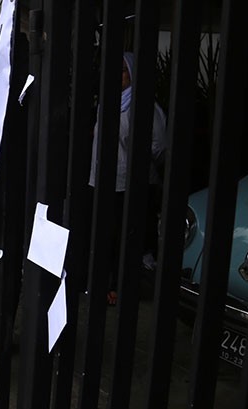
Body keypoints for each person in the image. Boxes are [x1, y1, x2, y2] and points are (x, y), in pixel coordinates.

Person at [89, 52, 167, 304]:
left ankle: (119, 288)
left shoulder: (144, 106)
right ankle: (106, 284)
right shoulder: (107, 103)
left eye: (122, 71)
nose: (117, 76)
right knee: (105, 237)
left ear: (133, 74)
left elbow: (159, 145)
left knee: (125, 238)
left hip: (130, 184)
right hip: (103, 181)